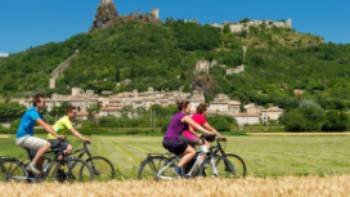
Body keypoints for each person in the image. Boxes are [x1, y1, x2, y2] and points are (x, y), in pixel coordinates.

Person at [16, 94, 64, 175]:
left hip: (27, 137)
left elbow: (48, 125)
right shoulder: (32, 112)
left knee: (41, 157)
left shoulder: (38, 113)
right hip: (23, 138)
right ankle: (31, 165)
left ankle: (39, 178)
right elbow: (44, 126)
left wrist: (57, 134)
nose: (45, 104)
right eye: (44, 102)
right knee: (47, 144)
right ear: (37, 103)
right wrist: (56, 136)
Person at [162, 100, 213, 176]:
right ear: (184, 108)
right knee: (193, 152)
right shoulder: (184, 116)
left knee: (186, 156)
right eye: (189, 107)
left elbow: (189, 130)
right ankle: (177, 169)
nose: (191, 109)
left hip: (167, 140)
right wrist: (208, 132)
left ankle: (184, 173)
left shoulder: (177, 115)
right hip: (173, 140)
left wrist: (198, 135)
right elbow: (196, 125)